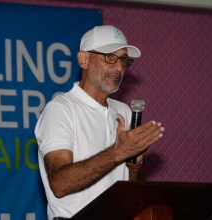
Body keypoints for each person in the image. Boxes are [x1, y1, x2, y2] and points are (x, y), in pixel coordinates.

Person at [34, 25, 164, 220]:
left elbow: (134, 192)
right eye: (110, 57)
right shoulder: (60, 109)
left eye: (123, 59)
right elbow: (60, 184)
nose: (119, 67)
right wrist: (118, 152)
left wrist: (135, 166)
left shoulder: (124, 111)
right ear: (83, 59)